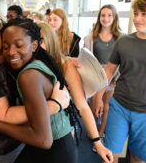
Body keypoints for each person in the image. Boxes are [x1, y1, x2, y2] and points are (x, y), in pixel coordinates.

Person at [0, 6, 69, 163]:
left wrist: (67, 61)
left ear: (2, 34)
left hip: (18, 141)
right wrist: (55, 105)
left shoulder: (14, 57)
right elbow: (0, 116)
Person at [93, 0, 146, 163]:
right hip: (119, 106)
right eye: (136, 13)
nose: (137, 18)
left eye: (144, 13)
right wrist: (98, 96)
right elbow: (108, 72)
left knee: (138, 158)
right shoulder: (123, 42)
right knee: (108, 155)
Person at [38, 22, 114, 162]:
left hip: (61, 131)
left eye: (41, 40)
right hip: (35, 134)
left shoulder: (65, 65)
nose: (35, 45)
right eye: (32, 40)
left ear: (50, 41)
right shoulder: (27, 66)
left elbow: (82, 106)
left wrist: (97, 141)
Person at [83, 4, 123, 139]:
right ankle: (94, 131)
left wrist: (119, 77)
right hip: (96, 76)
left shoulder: (121, 38)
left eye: (109, 15)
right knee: (95, 105)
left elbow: (124, 60)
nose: (106, 19)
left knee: (106, 106)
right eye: (103, 15)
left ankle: (100, 133)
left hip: (113, 77)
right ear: (99, 17)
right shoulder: (90, 37)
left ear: (115, 17)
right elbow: (86, 58)